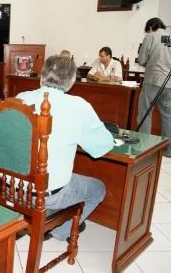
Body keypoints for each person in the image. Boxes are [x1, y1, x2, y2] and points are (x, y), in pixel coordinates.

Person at [16, 55, 113, 241]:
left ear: (41, 78)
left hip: (14, 186)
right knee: (98, 188)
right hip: (46, 195)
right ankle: (59, 231)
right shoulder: (79, 106)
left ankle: (43, 221)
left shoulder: (20, 98)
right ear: (71, 82)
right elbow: (102, 146)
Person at [138, 17, 171, 157]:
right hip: (169, 83)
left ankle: (144, 148)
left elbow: (142, 59)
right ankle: (169, 150)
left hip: (153, 81)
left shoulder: (151, 36)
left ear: (151, 27)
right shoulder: (169, 38)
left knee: (145, 113)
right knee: (168, 116)